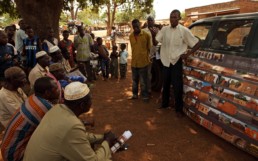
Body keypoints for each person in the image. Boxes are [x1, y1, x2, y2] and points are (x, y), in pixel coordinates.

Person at [23, 82, 117, 161]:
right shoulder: (72, 125)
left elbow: (80, 137)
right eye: (90, 99)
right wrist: (107, 142)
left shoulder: (57, 109)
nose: (91, 102)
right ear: (82, 105)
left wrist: (102, 138)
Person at [1, 77, 60, 161]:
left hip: (7, 148)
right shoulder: (44, 107)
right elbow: (59, 129)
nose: (59, 90)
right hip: (14, 155)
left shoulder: (33, 98)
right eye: (56, 89)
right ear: (47, 93)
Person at [155, 9, 201, 117]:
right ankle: (164, 104)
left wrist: (187, 54)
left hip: (176, 62)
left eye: (175, 17)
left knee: (177, 86)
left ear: (179, 18)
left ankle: (178, 109)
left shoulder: (184, 31)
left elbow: (197, 43)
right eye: (171, 17)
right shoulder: (165, 29)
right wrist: (153, 35)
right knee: (165, 84)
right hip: (166, 61)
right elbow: (155, 41)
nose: (172, 19)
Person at [129, 19, 151, 102]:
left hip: (143, 62)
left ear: (140, 25)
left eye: (137, 26)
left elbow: (149, 48)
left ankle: (145, 96)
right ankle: (135, 95)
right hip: (134, 63)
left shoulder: (146, 35)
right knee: (134, 81)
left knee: (143, 81)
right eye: (134, 27)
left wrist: (147, 58)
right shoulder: (131, 36)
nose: (136, 28)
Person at [143, 16, 159, 95]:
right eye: (148, 20)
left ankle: (148, 89)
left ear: (154, 21)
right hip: (145, 55)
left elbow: (158, 43)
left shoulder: (157, 31)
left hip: (153, 55)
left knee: (149, 73)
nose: (150, 22)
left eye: (151, 20)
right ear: (147, 21)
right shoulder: (143, 31)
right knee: (144, 72)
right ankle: (144, 88)